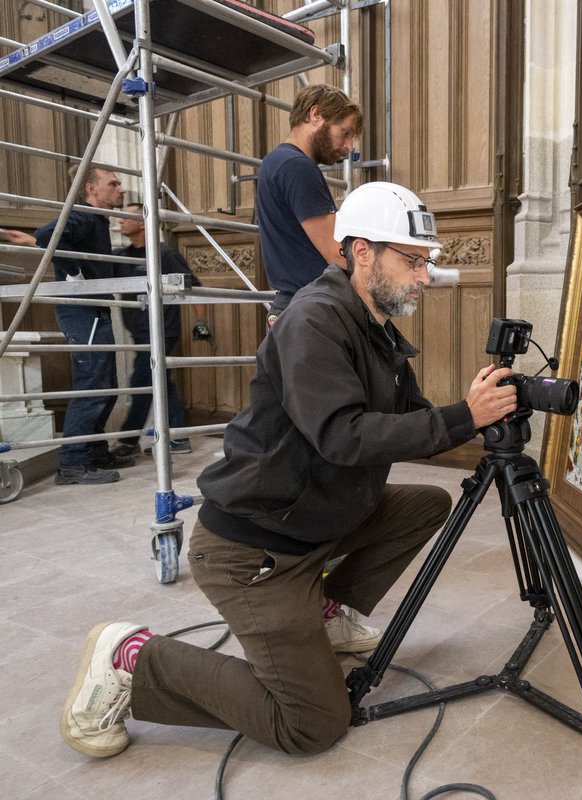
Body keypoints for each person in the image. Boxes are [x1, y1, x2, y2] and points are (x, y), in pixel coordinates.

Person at [61, 182, 518, 759]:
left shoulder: (372, 325)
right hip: (255, 551)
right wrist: (463, 416)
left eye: (425, 262)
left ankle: (323, 614)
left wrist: (473, 415)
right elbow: (342, 437)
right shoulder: (315, 321)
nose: (424, 277)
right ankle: (128, 656)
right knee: (313, 724)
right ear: (362, 252)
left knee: (427, 505)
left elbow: (412, 420)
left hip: (311, 525)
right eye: (413, 261)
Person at [33, 166, 134, 485]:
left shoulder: (97, 221)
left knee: (105, 383)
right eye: (113, 184)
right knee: (93, 384)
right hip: (81, 310)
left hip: (93, 309)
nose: (121, 189)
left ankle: (93, 452)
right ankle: (73, 462)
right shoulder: (83, 215)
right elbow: (46, 235)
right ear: (91, 189)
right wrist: (73, 272)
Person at [257, 84, 362, 326]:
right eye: (345, 133)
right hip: (310, 308)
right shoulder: (297, 166)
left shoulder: (276, 161)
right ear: (316, 115)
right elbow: (336, 252)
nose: (349, 146)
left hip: (297, 305)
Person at [109, 203, 206, 458]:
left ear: (143, 222)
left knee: (142, 381)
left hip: (162, 330)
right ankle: (178, 438)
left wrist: (201, 322)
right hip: (139, 333)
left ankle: (129, 440)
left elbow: (193, 287)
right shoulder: (122, 256)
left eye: (125, 217)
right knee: (160, 382)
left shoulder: (164, 254)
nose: (119, 221)